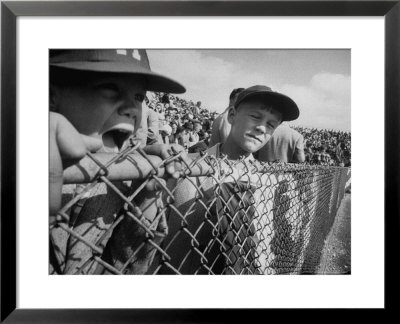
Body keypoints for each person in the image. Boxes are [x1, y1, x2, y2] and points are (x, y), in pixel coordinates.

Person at [49, 49, 188, 274]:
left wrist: (146, 192)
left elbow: (128, 268)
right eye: (111, 87)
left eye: (139, 97)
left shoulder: (124, 176)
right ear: (49, 95)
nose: (132, 109)